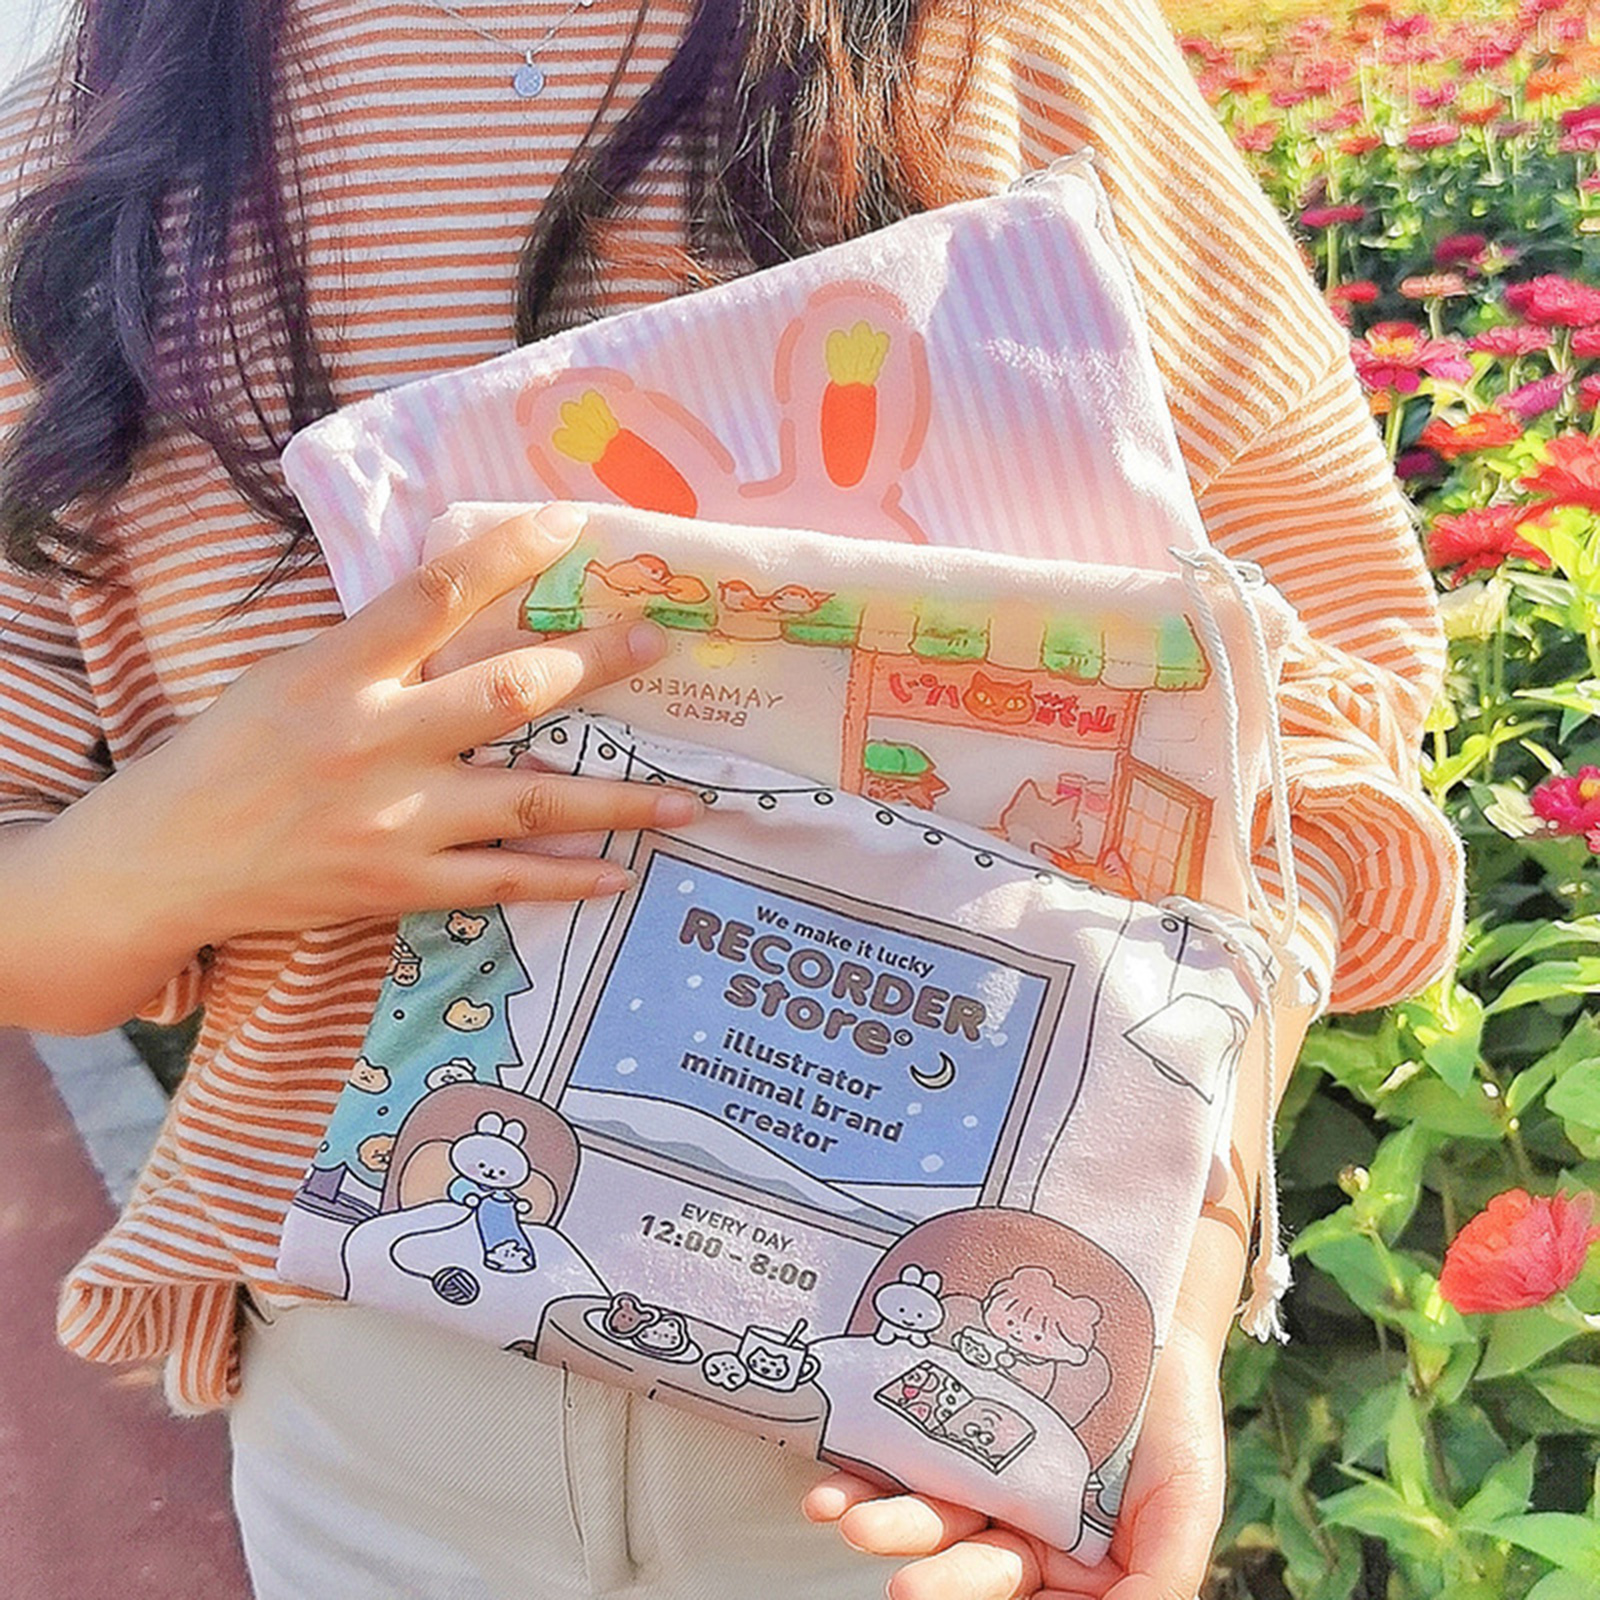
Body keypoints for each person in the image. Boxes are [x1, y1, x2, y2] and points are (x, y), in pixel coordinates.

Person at [0, 0, 1461, 1596]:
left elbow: (1318, 704)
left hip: (938, 1419)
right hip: (381, 1424)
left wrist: (1173, 1267)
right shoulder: (73, 152)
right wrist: (183, 840)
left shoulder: (983, 35)